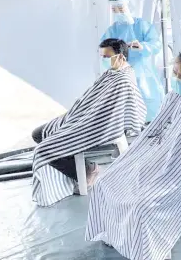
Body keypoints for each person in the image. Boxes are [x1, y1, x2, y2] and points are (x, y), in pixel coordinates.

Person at [85, 48, 181, 260]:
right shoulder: (172, 97)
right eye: (174, 73)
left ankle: (146, 255)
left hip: (176, 170)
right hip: (151, 157)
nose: (177, 80)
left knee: (143, 208)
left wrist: (166, 160)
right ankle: (113, 235)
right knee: (105, 182)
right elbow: (153, 133)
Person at [32, 39, 146, 207]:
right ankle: (84, 167)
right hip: (81, 119)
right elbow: (89, 100)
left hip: (94, 127)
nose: (103, 60)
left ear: (120, 56)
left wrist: (82, 124)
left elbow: (110, 115)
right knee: (39, 133)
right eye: (102, 56)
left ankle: (85, 173)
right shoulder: (112, 73)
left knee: (44, 149)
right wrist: (73, 116)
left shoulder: (123, 80)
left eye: (106, 56)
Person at [102, 0, 164, 122]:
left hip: (144, 72)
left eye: (121, 8)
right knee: (125, 103)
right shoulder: (112, 30)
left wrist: (142, 46)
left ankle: (151, 127)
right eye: (114, 9)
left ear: (129, 7)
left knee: (148, 98)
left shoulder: (142, 25)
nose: (118, 12)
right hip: (122, 73)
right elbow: (104, 52)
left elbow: (156, 44)